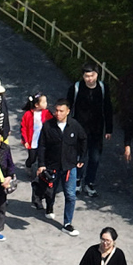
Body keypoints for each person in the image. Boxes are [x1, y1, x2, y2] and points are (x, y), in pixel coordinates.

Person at [37, 99, 87, 235]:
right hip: (52, 166)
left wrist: (81, 158)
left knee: (70, 195)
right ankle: (49, 207)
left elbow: (83, 139)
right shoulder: (48, 126)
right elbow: (42, 146)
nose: (58, 114)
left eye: (61, 111)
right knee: (50, 192)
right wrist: (41, 164)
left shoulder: (74, 125)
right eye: (56, 111)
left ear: (68, 111)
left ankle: (67, 223)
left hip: (69, 167)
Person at [67, 65, 113, 196]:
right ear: (83, 76)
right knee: (79, 156)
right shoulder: (76, 88)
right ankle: (77, 180)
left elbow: (108, 108)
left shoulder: (103, 88)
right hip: (79, 129)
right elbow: (68, 107)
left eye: (92, 76)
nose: (89, 79)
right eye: (87, 76)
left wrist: (109, 129)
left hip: (97, 130)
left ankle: (90, 182)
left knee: (95, 157)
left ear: (97, 75)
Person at [19, 92, 50, 172]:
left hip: (43, 140)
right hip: (32, 141)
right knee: (32, 158)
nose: (46, 103)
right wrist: (25, 140)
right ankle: (28, 165)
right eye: (43, 102)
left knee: (43, 157)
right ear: (36, 104)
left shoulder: (47, 113)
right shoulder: (28, 114)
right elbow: (23, 128)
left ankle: (42, 173)